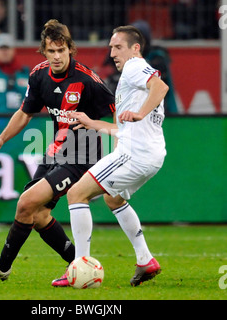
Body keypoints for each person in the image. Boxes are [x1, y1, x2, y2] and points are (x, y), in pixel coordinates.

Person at [0, 19, 115, 286]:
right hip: (56, 151)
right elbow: (25, 112)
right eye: (51, 51)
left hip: (82, 157)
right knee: (36, 216)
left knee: (25, 202)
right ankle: (78, 265)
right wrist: (1, 138)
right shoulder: (38, 75)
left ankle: (1, 267)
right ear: (44, 52)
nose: (57, 56)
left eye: (61, 50)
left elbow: (117, 116)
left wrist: (120, 149)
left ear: (70, 49)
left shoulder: (87, 79)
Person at [66, 25, 168, 287]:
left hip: (134, 154)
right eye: (111, 47)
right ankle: (145, 260)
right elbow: (121, 129)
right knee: (113, 199)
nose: (112, 52)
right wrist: (92, 122)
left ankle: (79, 267)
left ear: (135, 48)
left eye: (118, 46)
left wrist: (140, 113)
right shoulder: (130, 82)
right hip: (151, 155)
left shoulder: (135, 66)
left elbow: (161, 87)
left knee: (76, 194)